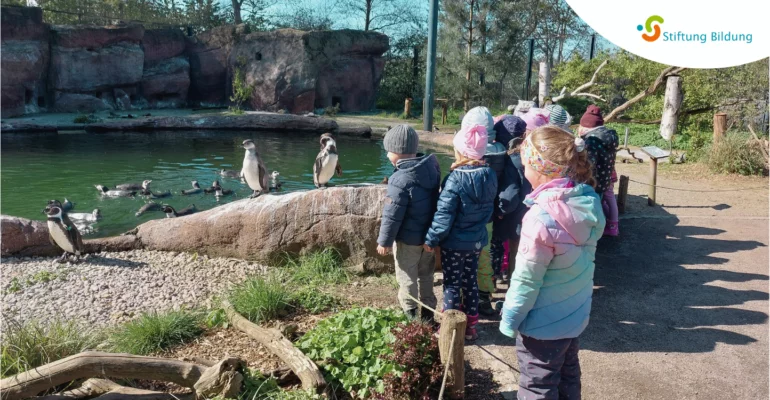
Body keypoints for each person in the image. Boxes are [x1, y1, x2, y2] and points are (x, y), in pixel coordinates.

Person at [499, 126, 605, 400]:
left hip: (541, 327)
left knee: (538, 386)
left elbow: (526, 280)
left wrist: (510, 319)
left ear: (540, 168)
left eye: (525, 165)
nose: (523, 171)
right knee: (568, 377)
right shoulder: (586, 202)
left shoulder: (540, 219)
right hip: (573, 316)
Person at [424, 118, 497, 341]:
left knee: (452, 285)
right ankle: (472, 327)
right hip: (476, 240)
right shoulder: (490, 175)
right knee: (470, 282)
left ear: (460, 151)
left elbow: (444, 215)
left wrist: (431, 238)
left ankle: (450, 328)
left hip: (454, 243)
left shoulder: (454, 179)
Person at [376, 125, 441, 323]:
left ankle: (411, 318)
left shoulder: (399, 179)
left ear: (397, 152)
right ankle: (429, 316)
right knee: (427, 275)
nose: (387, 155)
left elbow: (392, 215)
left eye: (388, 151)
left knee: (407, 277)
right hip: (428, 238)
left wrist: (384, 241)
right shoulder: (431, 169)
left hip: (408, 241)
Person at [577, 105, 620, 236]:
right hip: (607, 175)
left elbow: (590, 161)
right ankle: (613, 225)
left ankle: (597, 229)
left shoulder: (592, 141)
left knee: (596, 202)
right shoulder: (610, 136)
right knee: (609, 199)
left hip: (595, 178)